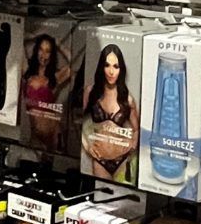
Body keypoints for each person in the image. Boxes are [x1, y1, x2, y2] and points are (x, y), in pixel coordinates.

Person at [81, 44, 139, 182]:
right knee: (101, 197)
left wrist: (131, 147)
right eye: (107, 65)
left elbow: (136, 130)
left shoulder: (127, 99)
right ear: (101, 66)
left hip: (123, 160)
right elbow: (81, 123)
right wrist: (88, 147)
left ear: (121, 69)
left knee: (124, 200)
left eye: (116, 66)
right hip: (100, 160)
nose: (111, 72)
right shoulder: (91, 92)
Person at [22, 33, 70, 152]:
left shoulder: (54, 78)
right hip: (33, 133)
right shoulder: (27, 73)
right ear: (36, 50)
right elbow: (19, 40)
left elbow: (75, 62)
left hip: (54, 132)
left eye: (48, 51)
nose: (43, 54)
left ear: (52, 55)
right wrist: (36, 36)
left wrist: (58, 44)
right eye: (41, 49)